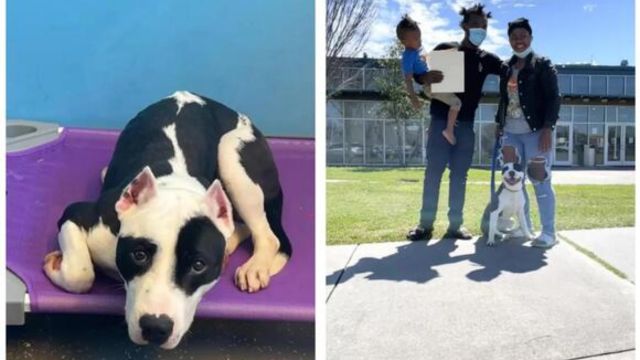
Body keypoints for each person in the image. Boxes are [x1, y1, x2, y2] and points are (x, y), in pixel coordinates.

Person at [407, 3, 506, 241]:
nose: (479, 29)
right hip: (441, 122)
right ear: (464, 25)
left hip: (467, 126)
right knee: (433, 174)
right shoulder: (444, 50)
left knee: (460, 177)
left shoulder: (487, 59)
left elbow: (510, 71)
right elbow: (420, 74)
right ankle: (425, 225)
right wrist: (424, 77)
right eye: (475, 25)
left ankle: (455, 226)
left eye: (484, 26)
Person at [495, 17, 560, 248]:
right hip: (511, 133)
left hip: (535, 132)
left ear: (530, 37)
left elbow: (554, 98)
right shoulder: (506, 66)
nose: (518, 40)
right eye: (514, 37)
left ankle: (549, 232)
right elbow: (504, 100)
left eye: (522, 35)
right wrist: (498, 123)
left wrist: (548, 128)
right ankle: (525, 228)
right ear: (509, 40)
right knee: (515, 182)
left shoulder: (543, 64)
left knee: (540, 180)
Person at [396, 15, 462, 145]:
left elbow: (426, 60)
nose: (419, 41)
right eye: (415, 39)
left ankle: (431, 130)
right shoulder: (408, 56)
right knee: (456, 103)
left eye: (420, 37)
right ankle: (449, 130)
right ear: (404, 41)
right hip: (429, 87)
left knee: (447, 101)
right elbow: (408, 80)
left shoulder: (417, 50)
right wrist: (413, 98)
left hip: (431, 83)